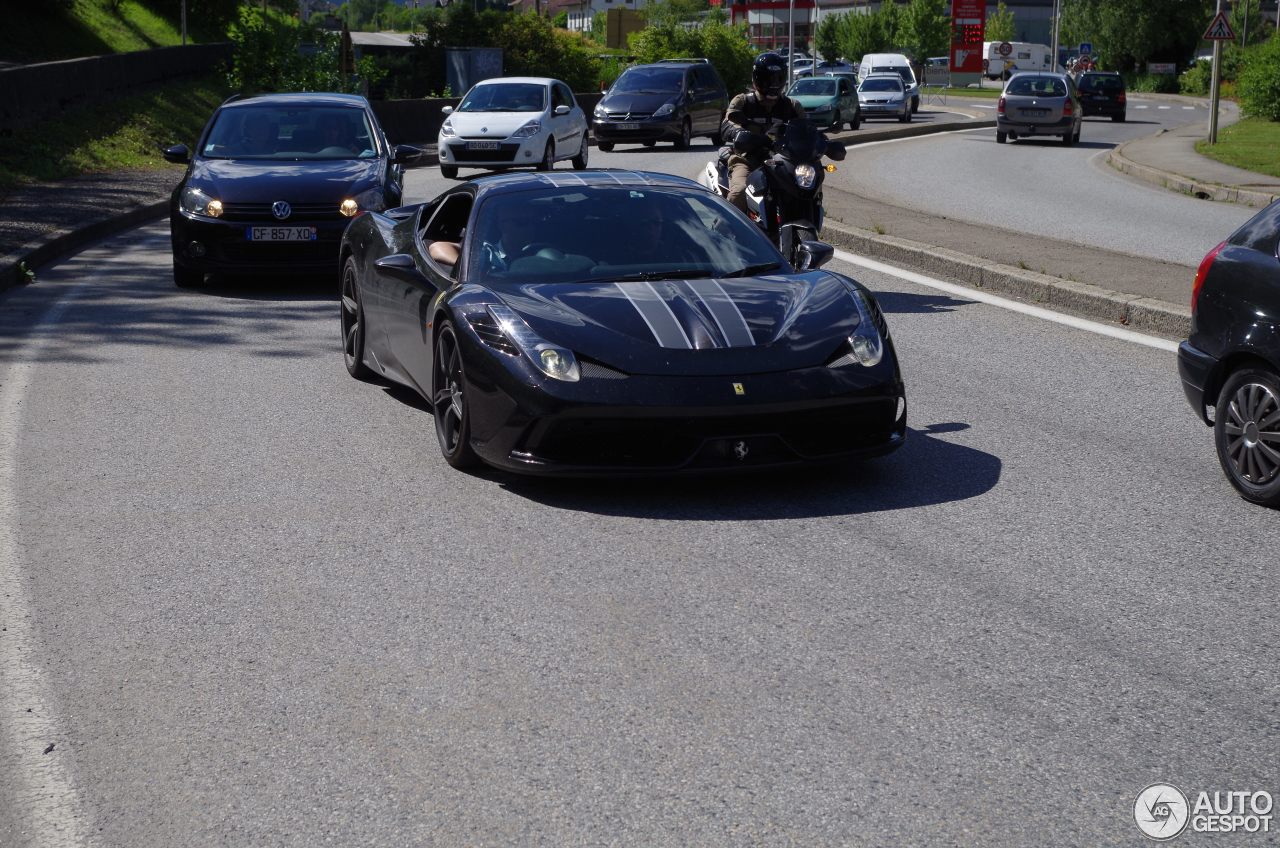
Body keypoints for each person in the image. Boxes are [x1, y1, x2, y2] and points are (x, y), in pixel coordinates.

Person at [721, 52, 806, 214]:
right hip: (748, 160)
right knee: (739, 192)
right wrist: (739, 133)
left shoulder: (792, 106)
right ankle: (728, 234)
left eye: (778, 78)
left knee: (805, 189)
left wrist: (822, 142)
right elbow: (727, 123)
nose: (773, 83)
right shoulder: (743, 101)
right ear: (757, 78)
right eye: (768, 79)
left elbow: (806, 128)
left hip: (784, 163)